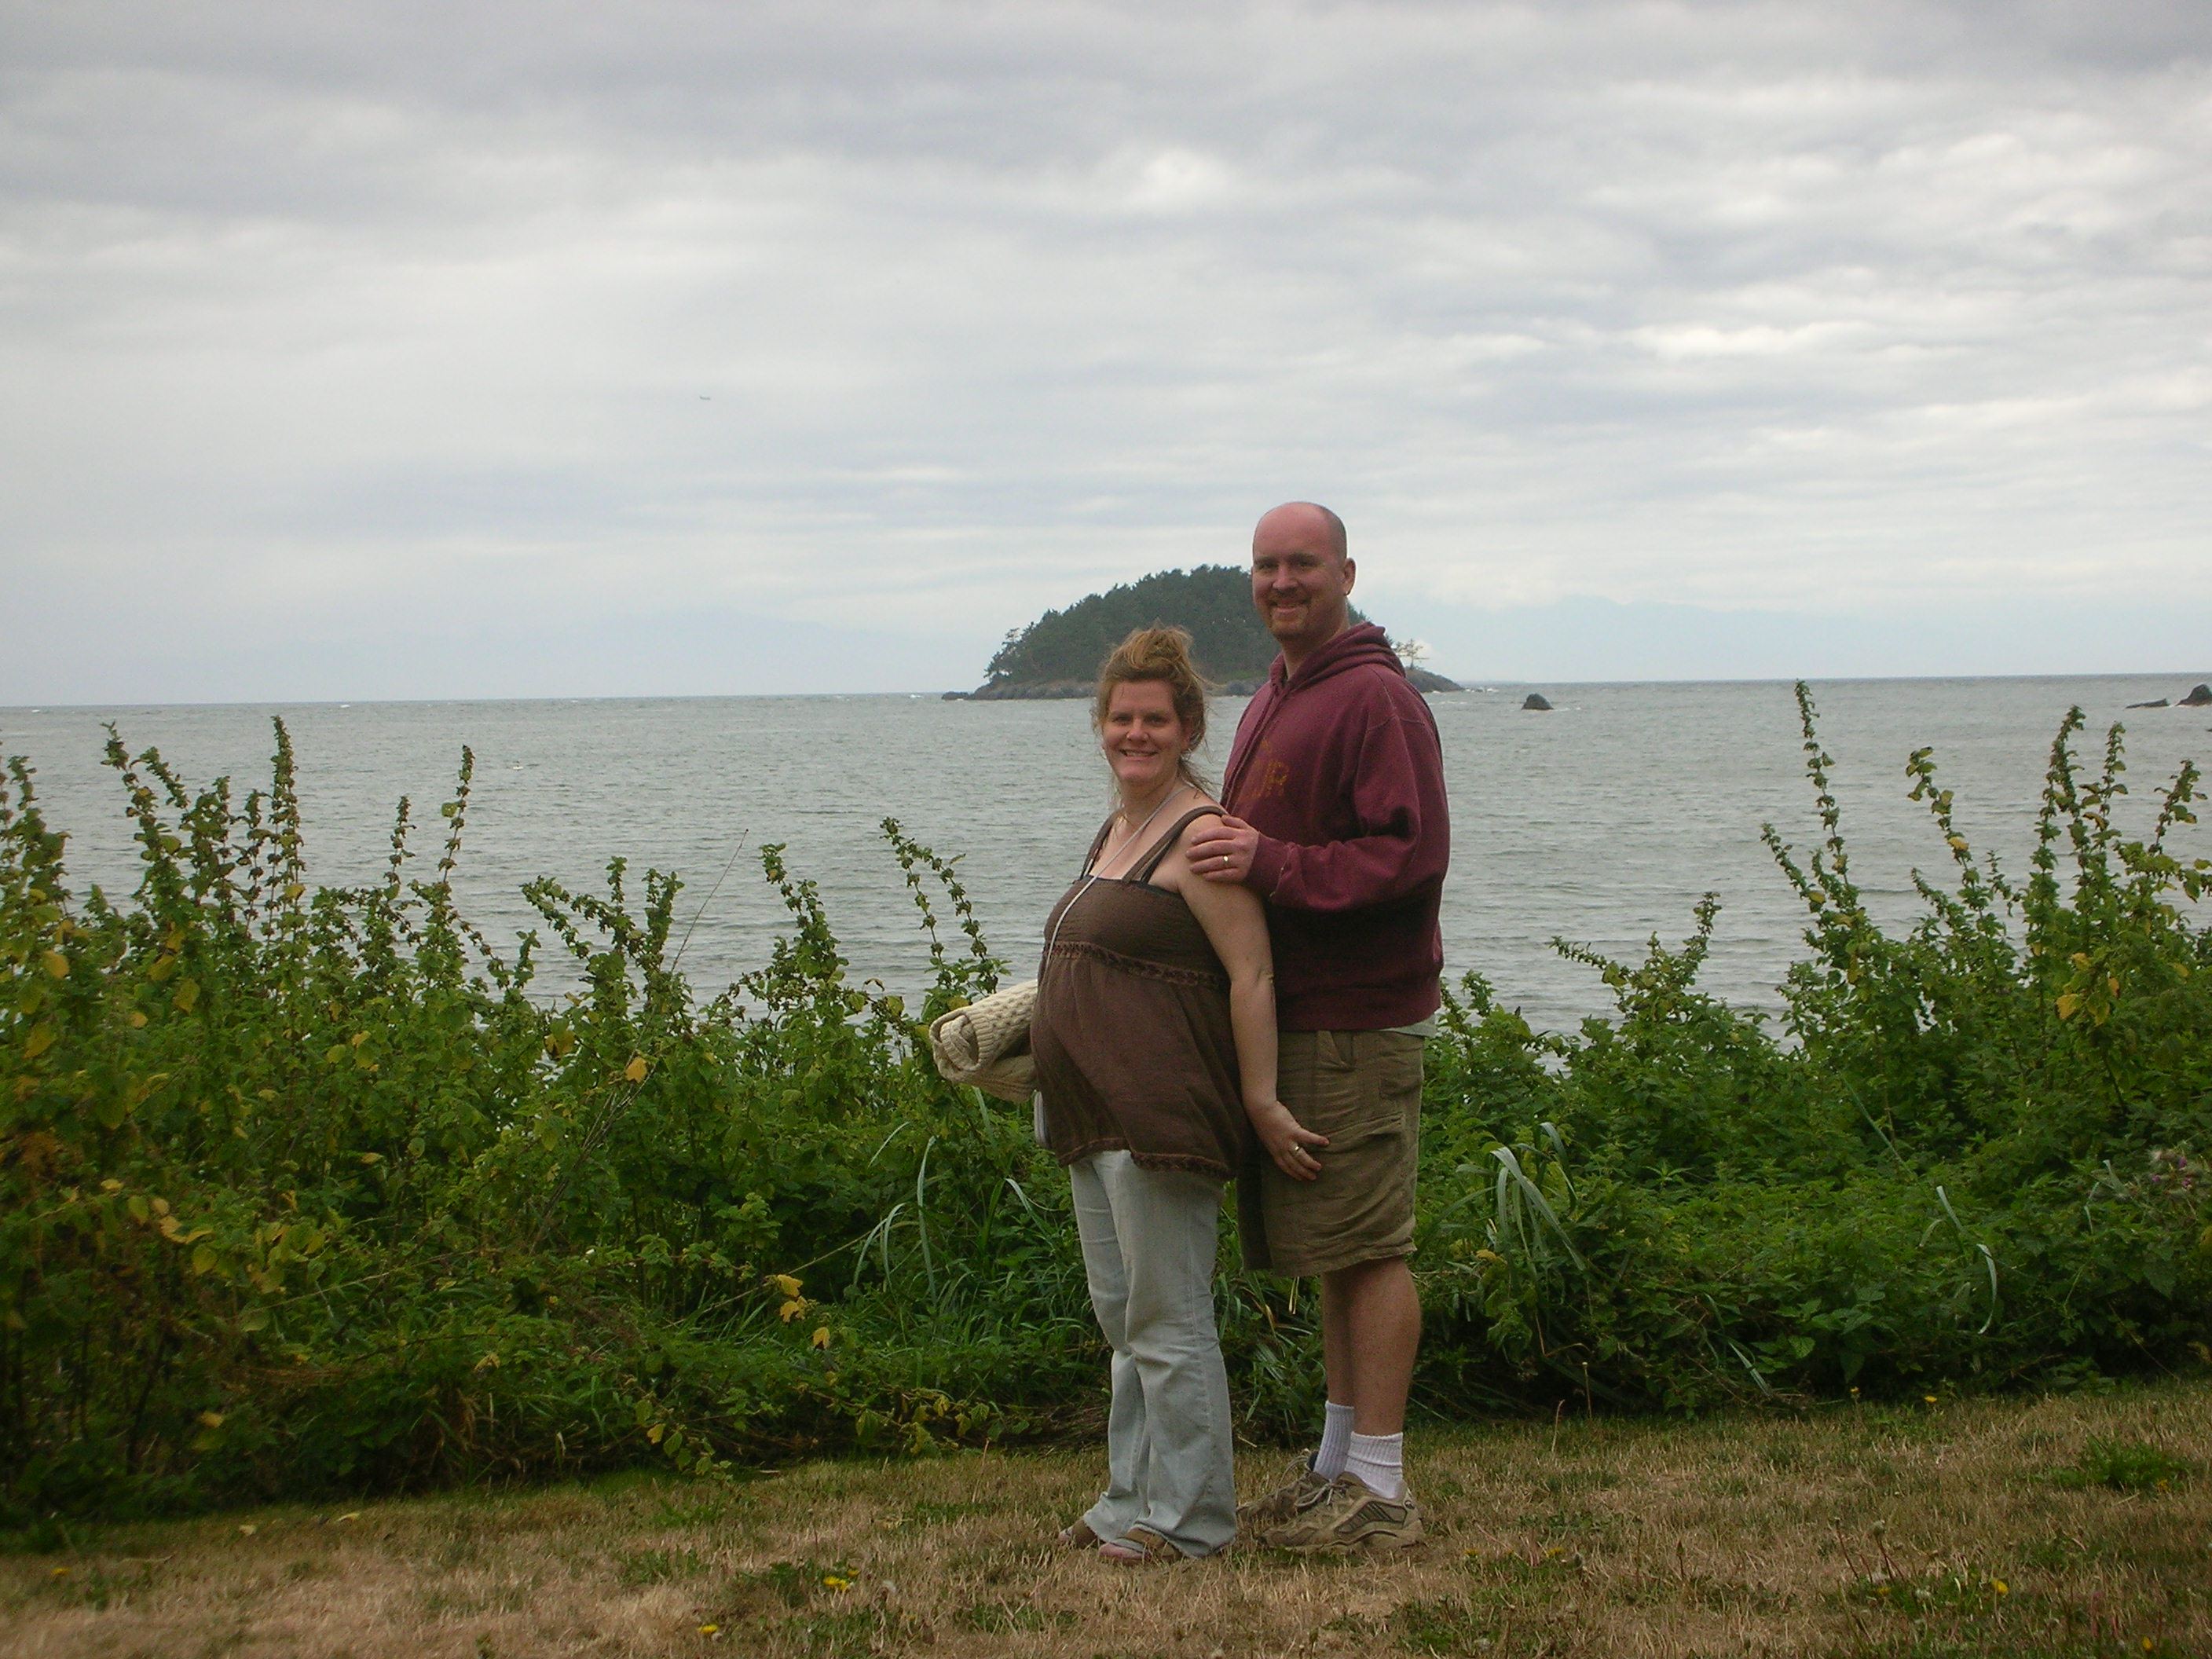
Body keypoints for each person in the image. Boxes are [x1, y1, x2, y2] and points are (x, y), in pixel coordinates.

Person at [1031, 625, 1327, 1563]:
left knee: (1167, 1323)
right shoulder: (1115, 829)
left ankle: (1191, 1521)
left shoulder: (1199, 834)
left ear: (1188, 728)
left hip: (1157, 1117)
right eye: (1121, 718)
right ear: (1100, 726)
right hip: (1089, 1114)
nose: (1135, 734)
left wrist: (1260, 1100)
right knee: (1123, 1322)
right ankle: (1128, 1500)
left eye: (1154, 720)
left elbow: (1251, 973)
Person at [1186, 501, 1449, 1553]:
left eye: (1302, 563)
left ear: (1346, 572)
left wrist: (1272, 864)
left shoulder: (1377, 700)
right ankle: (1335, 1467)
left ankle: (1380, 1489)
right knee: (1336, 1249)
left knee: (1371, 1247)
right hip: (1298, 1017)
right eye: (1265, 565)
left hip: (1356, 1021)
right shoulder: (1276, 695)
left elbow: (1409, 857)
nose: (1281, 581)